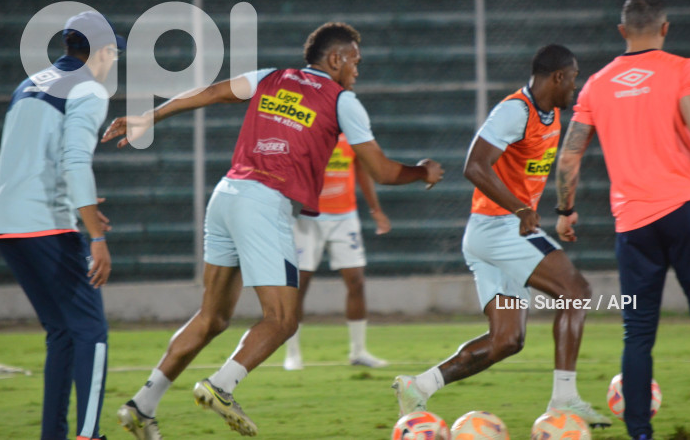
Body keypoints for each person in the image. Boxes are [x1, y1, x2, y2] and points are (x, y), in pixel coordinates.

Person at [103, 22, 444, 438]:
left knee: (211, 316)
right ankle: (222, 387)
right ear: (335, 59)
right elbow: (383, 171)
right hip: (265, 201)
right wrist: (422, 171)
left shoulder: (271, 77)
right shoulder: (342, 100)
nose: (358, 69)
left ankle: (142, 405)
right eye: (355, 60)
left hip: (227, 194)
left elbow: (209, 92)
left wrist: (150, 115)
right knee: (282, 320)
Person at [555, 0, 690, 440]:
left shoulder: (597, 85)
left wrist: (565, 211)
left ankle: (640, 433)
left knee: (638, 332)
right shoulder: (684, 69)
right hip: (689, 210)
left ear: (622, 32)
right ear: (665, 28)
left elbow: (569, 157)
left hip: (634, 223)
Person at [392, 44, 611, 428]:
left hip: (493, 231)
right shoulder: (515, 111)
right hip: (499, 227)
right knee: (576, 291)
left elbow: (541, 170)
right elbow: (474, 166)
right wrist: (521, 209)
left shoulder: (551, 116)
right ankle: (565, 401)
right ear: (558, 77)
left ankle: (418, 386)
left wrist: (560, 213)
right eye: (574, 78)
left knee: (507, 340)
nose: (575, 88)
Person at [0, 10, 124, 440]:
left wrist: (82, 208)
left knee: (63, 332)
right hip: (43, 222)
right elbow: (75, 160)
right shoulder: (88, 88)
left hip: (5, 222)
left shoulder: (29, 84)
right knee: (92, 331)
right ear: (102, 52)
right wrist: (96, 237)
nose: (113, 62)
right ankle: (88, 435)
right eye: (113, 54)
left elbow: (34, 158)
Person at [283, 132, 392, 371]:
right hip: (309, 217)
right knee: (300, 283)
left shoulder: (352, 132)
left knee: (356, 281)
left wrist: (375, 210)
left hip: (345, 216)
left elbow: (361, 170)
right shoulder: (305, 129)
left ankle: (358, 351)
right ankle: (292, 353)